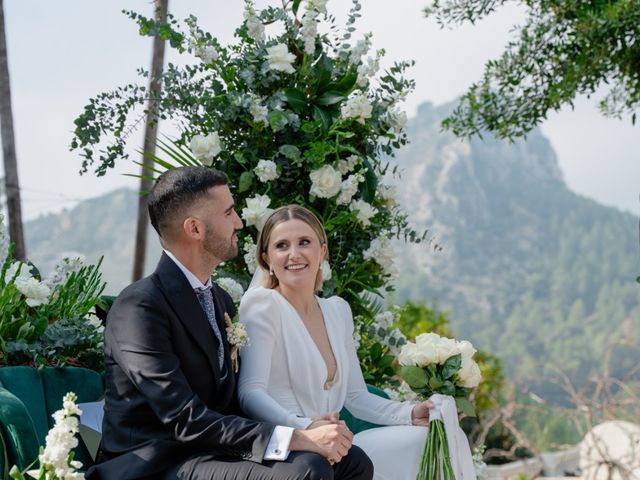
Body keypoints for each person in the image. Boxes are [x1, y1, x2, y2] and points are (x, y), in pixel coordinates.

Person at [87, 168, 374, 480]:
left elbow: (230, 402)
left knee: (352, 461)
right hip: (156, 462)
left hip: (211, 452)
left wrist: (308, 424)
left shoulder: (220, 300)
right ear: (195, 228)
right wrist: (299, 437)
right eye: (229, 212)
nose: (239, 222)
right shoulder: (139, 307)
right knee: (307, 469)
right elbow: (186, 419)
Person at [238, 205, 435, 480]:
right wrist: (306, 427)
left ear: (322, 250)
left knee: (422, 440)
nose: (294, 254)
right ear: (266, 258)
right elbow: (250, 393)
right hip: (290, 449)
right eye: (282, 245)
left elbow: (356, 396)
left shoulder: (337, 310)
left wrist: (411, 413)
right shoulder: (263, 305)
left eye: (304, 242)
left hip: (335, 444)